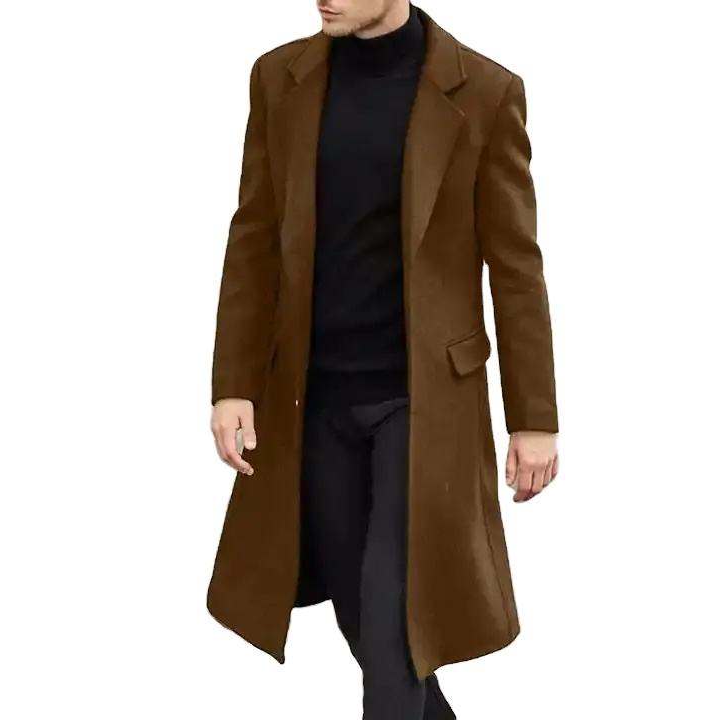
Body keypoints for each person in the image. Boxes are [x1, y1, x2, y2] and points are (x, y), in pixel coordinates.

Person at [208, 2, 560, 718]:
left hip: (424, 406)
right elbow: (254, 236)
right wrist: (233, 384)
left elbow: (516, 267)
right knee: (364, 619)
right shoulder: (278, 78)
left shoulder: (486, 92)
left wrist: (534, 418)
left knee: (395, 624)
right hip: (314, 401)